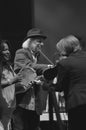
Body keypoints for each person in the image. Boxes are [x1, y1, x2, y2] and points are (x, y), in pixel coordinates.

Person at [44, 35, 86, 130]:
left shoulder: (65, 63)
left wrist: (47, 86)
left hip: (77, 103)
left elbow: (59, 87)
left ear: (65, 49)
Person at [13, 28, 50, 130]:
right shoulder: (21, 52)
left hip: (35, 103)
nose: (41, 44)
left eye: (42, 42)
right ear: (29, 42)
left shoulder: (38, 56)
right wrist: (47, 67)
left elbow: (37, 71)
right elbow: (26, 67)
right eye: (39, 41)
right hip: (22, 102)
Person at [0, 40, 22, 130]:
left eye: (8, 49)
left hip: (9, 108)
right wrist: (12, 80)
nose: (8, 52)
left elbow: (12, 87)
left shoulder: (8, 66)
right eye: (5, 50)